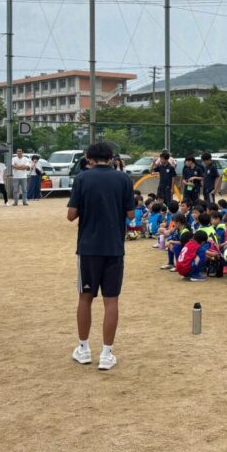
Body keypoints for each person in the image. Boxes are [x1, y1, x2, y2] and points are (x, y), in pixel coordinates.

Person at [66, 142, 136, 371]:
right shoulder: (123, 179)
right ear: (111, 157)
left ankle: (84, 349)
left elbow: (71, 215)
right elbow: (130, 214)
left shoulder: (82, 178)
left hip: (88, 247)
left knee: (85, 297)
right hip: (114, 247)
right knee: (111, 300)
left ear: (89, 158)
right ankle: (106, 354)